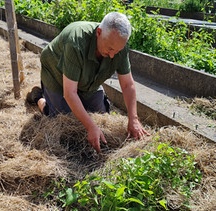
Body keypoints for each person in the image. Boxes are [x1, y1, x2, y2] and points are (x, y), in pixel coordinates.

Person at [27, 12, 149, 153]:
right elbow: (70, 92)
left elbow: (128, 85)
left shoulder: (117, 47)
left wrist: (133, 118)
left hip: (87, 78)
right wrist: (91, 127)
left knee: (101, 113)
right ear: (98, 32)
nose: (112, 55)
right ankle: (39, 97)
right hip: (57, 75)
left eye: (117, 51)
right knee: (63, 120)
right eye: (109, 48)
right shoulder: (76, 41)